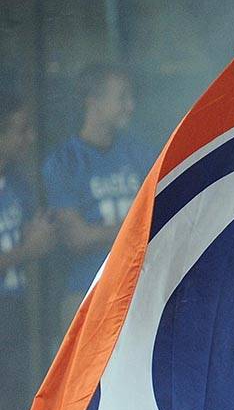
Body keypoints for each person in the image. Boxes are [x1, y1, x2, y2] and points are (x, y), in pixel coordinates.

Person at [42, 64, 155, 331]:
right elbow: (77, 239)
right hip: (87, 293)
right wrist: (136, 230)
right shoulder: (63, 161)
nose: (131, 106)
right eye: (122, 98)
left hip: (138, 291)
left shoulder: (140, 153)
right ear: (94, 102)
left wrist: (101, 232)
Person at [0, 95, 55, 410]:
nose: (29, 138)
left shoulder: (17, 184)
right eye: (20, 130)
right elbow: (25, 249)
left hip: (14, 317)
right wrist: (27, 250)